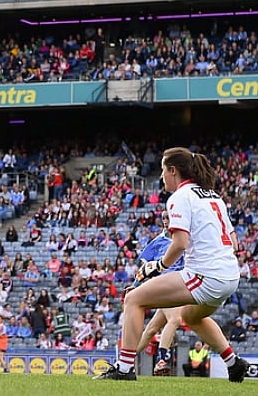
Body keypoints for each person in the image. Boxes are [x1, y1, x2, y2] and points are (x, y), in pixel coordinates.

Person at [95, 148, 249, 382]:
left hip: (206, 275)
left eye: (163, 170)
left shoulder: (179, 196)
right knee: (191, 316)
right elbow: (235, 242)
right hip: (229, 276)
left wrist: (157, 266)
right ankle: (233, 363)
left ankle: (124, 369)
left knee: (133, 299)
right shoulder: (213, 196)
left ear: (173, 170)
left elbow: (180, 243)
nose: (161, 176)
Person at [133, 211, 185, 376]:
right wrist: (135, 285)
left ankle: (123, 360)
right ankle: (162, 360)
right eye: (163, 218)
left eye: (168, 218)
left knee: (151, 330)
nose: (165, 221)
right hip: (166, 284)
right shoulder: (158, 241)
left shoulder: (186, 239)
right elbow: (143, 264)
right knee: (175, 319)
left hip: (182, 284)